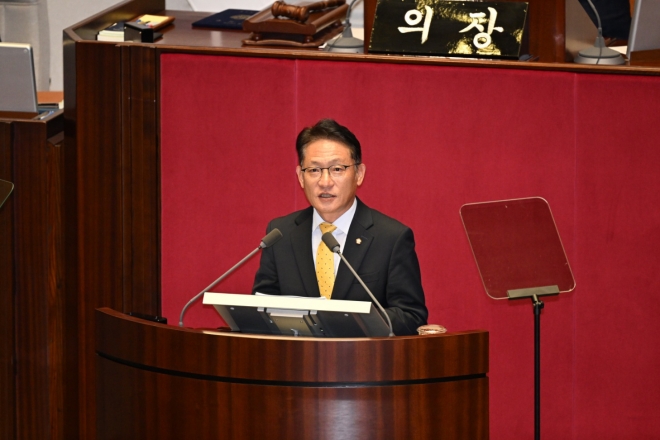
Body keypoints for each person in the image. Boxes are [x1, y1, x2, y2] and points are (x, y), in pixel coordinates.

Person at [252, 118, 428, 335]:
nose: (325, 182)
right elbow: (262, 309)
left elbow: (411, 316)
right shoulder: (280, 233)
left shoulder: (391, 237)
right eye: (314, 170)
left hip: (364, 364)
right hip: (296, 364)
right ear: (300, 177)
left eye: (337, 169)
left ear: (359, 173)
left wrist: (347, 320)